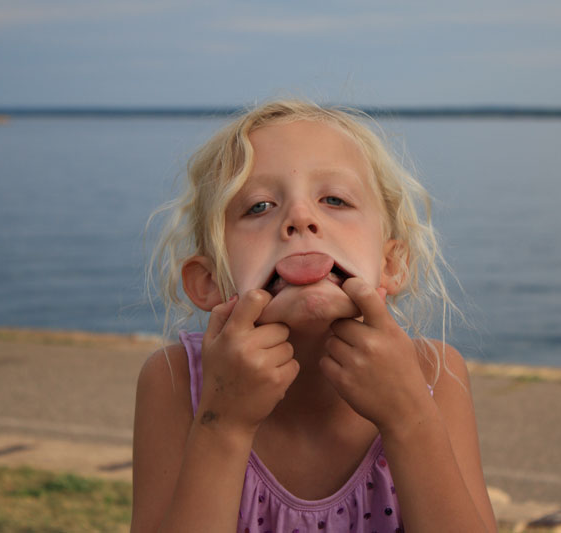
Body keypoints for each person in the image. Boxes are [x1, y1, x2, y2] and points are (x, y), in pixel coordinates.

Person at [132, 100, 497, 533]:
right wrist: (223, 423)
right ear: (209, 281)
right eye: (259, 207)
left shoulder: (435, 376)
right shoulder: (176, 381)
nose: (300, 218)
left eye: (335, 199)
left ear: (393, 264)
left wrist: (408, 417)